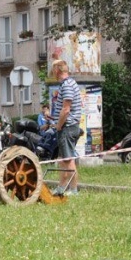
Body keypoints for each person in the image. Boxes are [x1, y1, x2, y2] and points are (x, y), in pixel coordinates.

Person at [50, 60, 83, 196]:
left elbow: (66, 109)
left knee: (68, 160)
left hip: (67, 127)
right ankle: (61, 188)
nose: (52, 73)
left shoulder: (67, 85)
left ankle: (74, 190)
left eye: (53, 70)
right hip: (69, 126)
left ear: (58, 70)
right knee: (64, 160)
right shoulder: (67, 84)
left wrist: (58, 126)